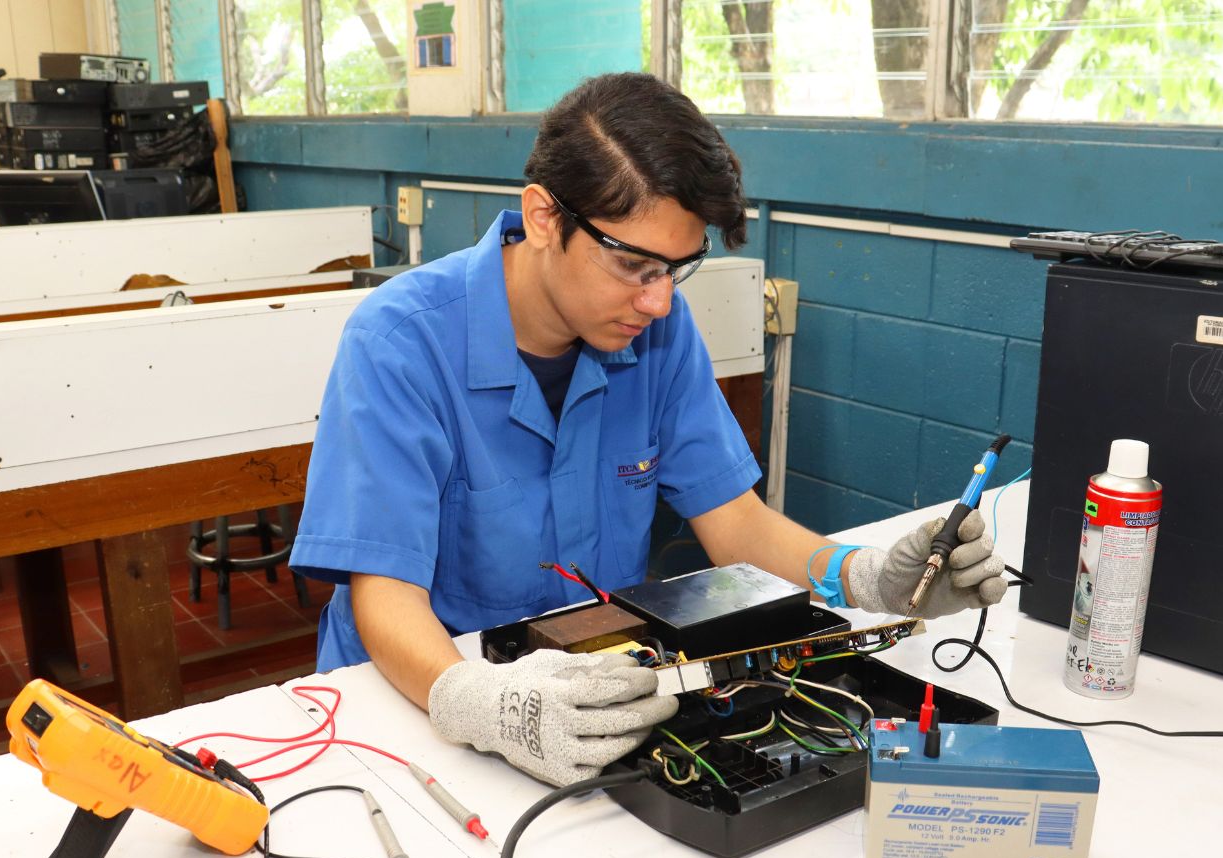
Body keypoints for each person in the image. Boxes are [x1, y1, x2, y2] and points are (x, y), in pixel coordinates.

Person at [291, 72, 1007, 788]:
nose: (659, 302)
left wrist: (868, 577)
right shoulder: (400, 342)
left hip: (597, 696)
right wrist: (474, 700)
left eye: (677, 269)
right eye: (633, 265)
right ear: (544, 217)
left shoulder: (657, 334)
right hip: (413, 707)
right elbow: (382, 595)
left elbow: (735, 524)